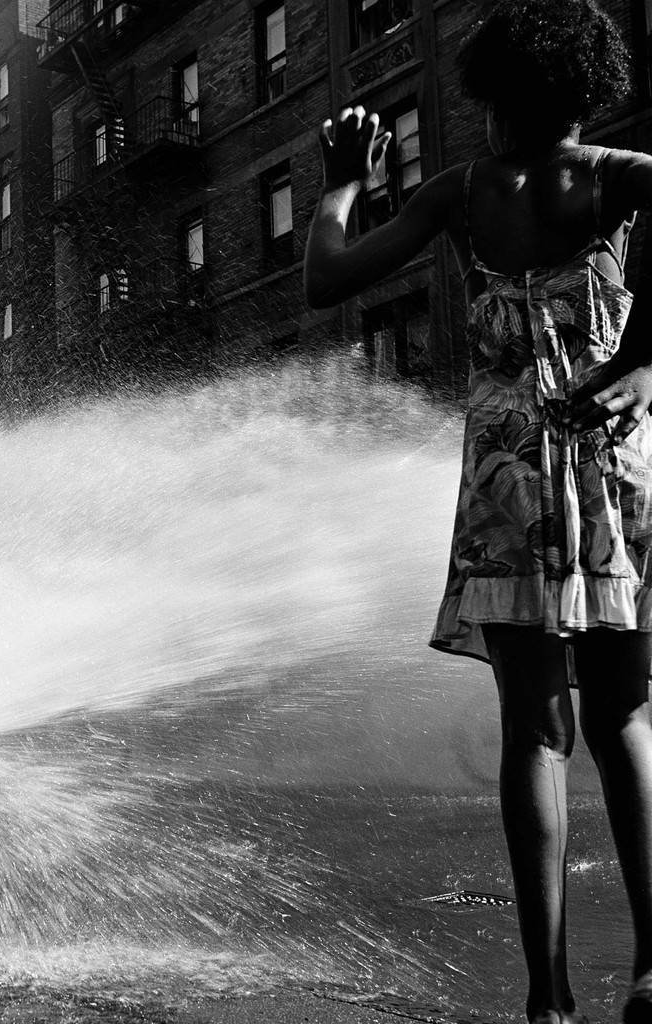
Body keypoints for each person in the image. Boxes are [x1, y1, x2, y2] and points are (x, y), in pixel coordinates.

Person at [304, 2, 652, 1022]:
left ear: (493, 96)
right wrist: (639, 361)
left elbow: (328, 274)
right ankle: (650, 965)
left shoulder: (465, 193)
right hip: (610, 458)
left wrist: (339, 189)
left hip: (506, 476)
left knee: (533, 734)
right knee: (626, 715)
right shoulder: (621, 177)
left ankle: (547, 996)